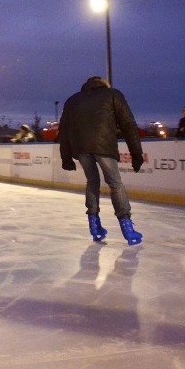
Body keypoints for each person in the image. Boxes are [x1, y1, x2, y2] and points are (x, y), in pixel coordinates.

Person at [59, 76, 144, 246]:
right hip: (104, 146)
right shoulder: (113, 94)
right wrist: (136, 153)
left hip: (81, 147)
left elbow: (64, 130)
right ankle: (127, 227)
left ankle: (94, 225)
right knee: (115, 183)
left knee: (92, 181)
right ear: (104, 84)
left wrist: (66, 157)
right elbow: (128, 124)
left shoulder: (73, 100)